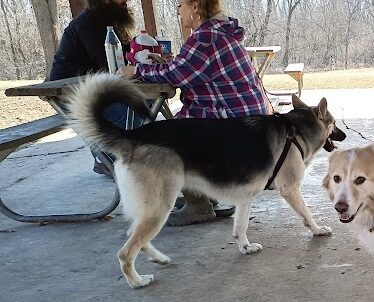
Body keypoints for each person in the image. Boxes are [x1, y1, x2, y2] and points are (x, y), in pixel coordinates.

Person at [119, 0, 271, 226]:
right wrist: (162, 66)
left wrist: (137, 70)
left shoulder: (206, 37)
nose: (178, 11)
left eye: (180, 5)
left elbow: (178, 74)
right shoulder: (218, 32)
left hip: (238, 125)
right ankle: (206, 197)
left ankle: (198, 205)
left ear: (196, 6)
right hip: (246, 120)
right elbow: (187, 68)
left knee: (171, 138)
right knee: (184, 122)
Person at [49, 0, 143, 178]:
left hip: (96, 90)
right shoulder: (87, 25)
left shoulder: (111, 23)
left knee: (145, 103)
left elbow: (126, 60)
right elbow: (109, 66)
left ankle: (117, 157)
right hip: (70, 96)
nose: (125, 1)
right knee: (128, 110)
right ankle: (108, 159)